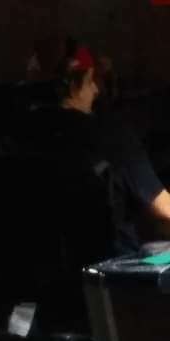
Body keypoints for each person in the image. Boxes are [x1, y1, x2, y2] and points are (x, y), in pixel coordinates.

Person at [23, 46, 170, 254]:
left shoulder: (23, 134)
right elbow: (164, 208)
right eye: (90, 81)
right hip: (110, 267)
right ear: (72, 86)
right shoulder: (110, 134)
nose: (96, 90)